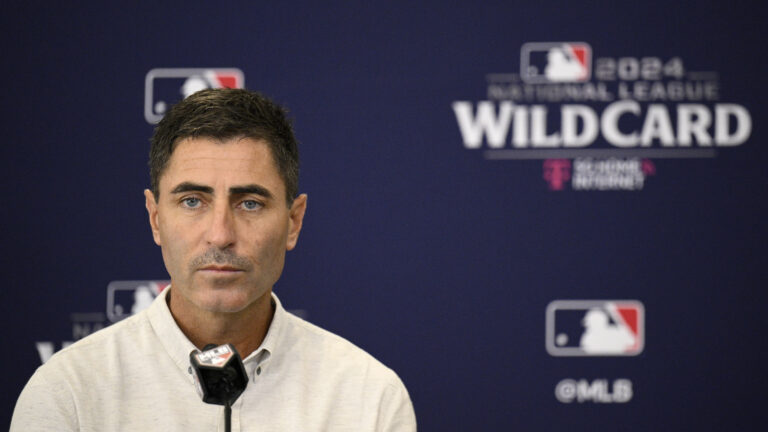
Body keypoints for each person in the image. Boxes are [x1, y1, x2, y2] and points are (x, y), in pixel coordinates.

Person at [11, 88, 417, 431]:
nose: (221, 234)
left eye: (251, 203)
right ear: (156, 219)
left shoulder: (370, 399)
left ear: (293, 222)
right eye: (192, 201)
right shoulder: (68, 396)